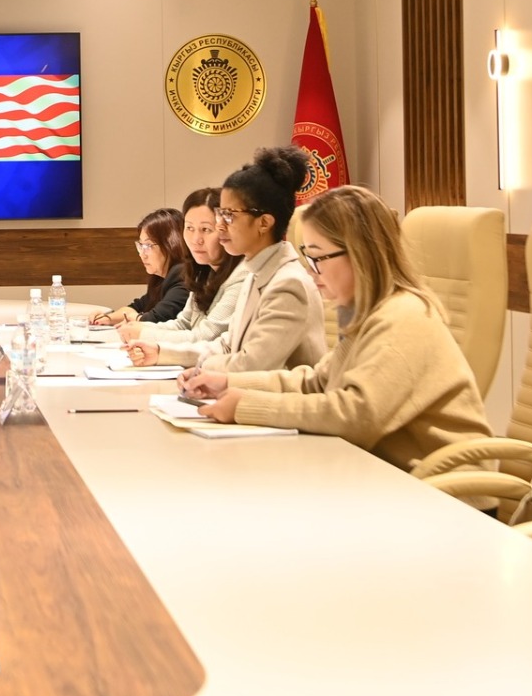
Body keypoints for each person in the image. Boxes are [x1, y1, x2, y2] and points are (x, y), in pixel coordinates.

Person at [180, 184, 490, 470]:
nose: (311, 271)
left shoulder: (404, 317)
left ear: (359, 254)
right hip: (384, 473)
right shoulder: (367, 313)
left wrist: (248, 406)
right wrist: (228, 383)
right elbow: (316, 383)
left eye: (318, 257)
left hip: (442, 490)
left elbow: (356, 415)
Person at [130, 148, 326, 373]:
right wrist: (160, 353)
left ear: (264, 223)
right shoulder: (255, 273)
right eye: (220, 214)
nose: (220, 225)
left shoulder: (288, 283)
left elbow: (252, 364)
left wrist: (198, 370)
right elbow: (226, 345)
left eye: (229, 215)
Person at [121, 187, 249, 361]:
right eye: (189, 228)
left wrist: (144, 333)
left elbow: (206, 336)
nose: (196, 239)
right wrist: (140, 329)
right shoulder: (204, 272)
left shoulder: (241, 275)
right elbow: (184, 323)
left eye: (206, 229)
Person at [90, 208, 191, 326]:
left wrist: (134, 318)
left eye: (148, 245)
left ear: (171, 243)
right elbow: (136, 307)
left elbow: (157, 318)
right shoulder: (160, 279)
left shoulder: (182, 275)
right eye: (141, 245)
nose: (142, 254)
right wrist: (107, 318)